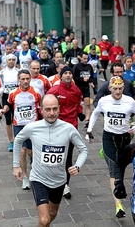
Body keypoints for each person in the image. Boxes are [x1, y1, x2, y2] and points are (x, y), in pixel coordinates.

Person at [12, 94, 88, 227]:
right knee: (44, 219)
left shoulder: (68, 128)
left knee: (52, 214)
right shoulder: (33, 127)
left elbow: (83, 150)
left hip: (59, 180)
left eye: (54, 109)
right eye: (47, 109)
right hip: (38, 179)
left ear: (59, 108)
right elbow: (18, 140)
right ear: (40, 110)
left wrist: (78, 166)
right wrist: (16, 166)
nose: (51, 113)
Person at [86, 76, 135, 218]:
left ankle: (118, 184)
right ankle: (118, 204)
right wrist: (89, 131)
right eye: (115, 89)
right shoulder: (104, 101)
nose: (117, 92)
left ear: (123, 88)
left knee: (121, 167)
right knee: (114, 168)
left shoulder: (129, 101)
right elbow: (95, 114)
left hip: (124, 137)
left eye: (120, 89)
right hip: (108, 137)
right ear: (110, 88)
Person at [0, 69, 42, 190]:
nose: (25, 81)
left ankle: (35, 170)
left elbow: (41, 107)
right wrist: (4, 110)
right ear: (18, 80)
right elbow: (8, 104)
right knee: (22, 151)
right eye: (22, 79)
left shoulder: (36, 92)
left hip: (33, 126)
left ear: (30, 79)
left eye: (27, 79)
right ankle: (25, 177)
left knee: (31, 152)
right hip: (18, 125)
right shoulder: (13, 93)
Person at [47, 66, 84, 199]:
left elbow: (78, 104)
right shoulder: (55, 90)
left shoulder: (76, 90)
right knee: (56, 156)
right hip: (57, 128)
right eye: (65, 73)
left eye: (70, 73)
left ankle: (65, 185)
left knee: (68, 157)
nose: (68, 75)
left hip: (72, 128)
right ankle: (51, 181)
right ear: (60, 75)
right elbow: (46, 106)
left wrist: (80, 113)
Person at [73, 52, 94, 127]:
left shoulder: (89, 66)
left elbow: (91, 76)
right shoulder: (77, 66)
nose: (86, 60)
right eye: (84, 58)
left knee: (87, 104)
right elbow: (74, 77)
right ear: (80, 58)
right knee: (76, 104)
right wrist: (82, 79)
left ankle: (87, 120)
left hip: (86, 87)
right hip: (77, 87)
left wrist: (91, 82)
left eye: (87, 59)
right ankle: (76, 116)